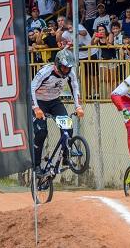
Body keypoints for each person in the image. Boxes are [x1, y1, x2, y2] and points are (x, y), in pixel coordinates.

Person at [31, 49, 84, 177]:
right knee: (41, 132)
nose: (66, 70)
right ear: (57, 64)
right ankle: (36, 165)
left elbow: (75, 87)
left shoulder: (70, 73)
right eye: (64, 67)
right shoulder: (45, 72)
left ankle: (66, 156)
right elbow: (31, 88)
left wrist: (78, 107)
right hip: (39, 102)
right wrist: (36, 108)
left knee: (67, 126)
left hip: (54, 101)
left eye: (68, 68)